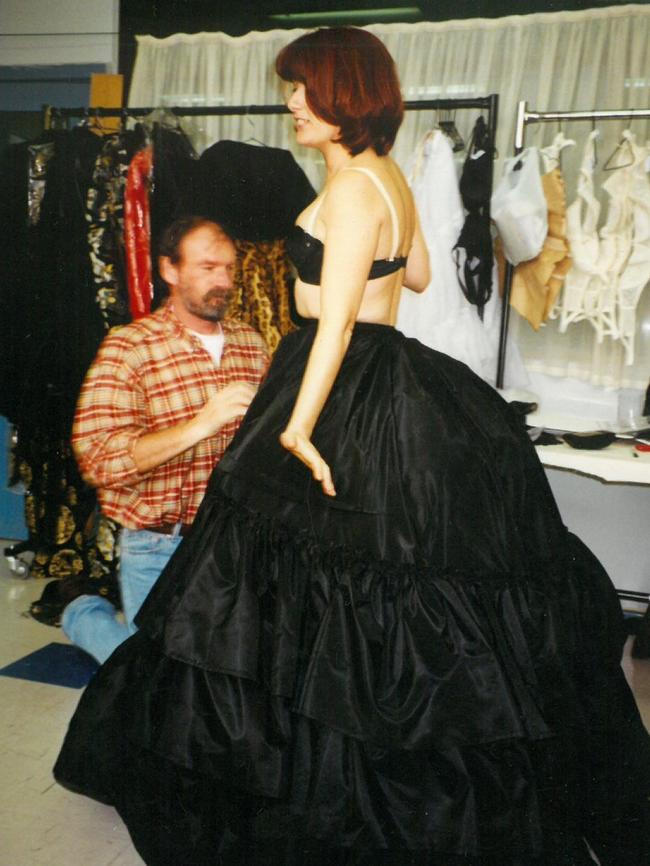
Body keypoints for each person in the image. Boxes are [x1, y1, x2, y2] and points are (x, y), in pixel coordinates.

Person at [55, 28, 649, 866]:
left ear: (342, 97)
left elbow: (333, 323)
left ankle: (318, 770)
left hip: (342, 384)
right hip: (391, 375)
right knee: (335, 579)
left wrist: (297, 424)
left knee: (321, 579)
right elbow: (415, 280)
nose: (291, 103)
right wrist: (353, 257)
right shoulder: (386, 180)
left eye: (302, 90)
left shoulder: (352, 192)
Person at [60, 215, 269, 663]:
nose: (224, 280)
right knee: (153, 680)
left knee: (227, 672)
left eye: (230, 268)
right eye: (208, 267)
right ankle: (82, 615)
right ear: (169, 270)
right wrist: (200, 425)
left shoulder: (252, 344)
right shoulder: (129, 348)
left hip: (231, 543)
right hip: (159, 545)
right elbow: (98, 458)